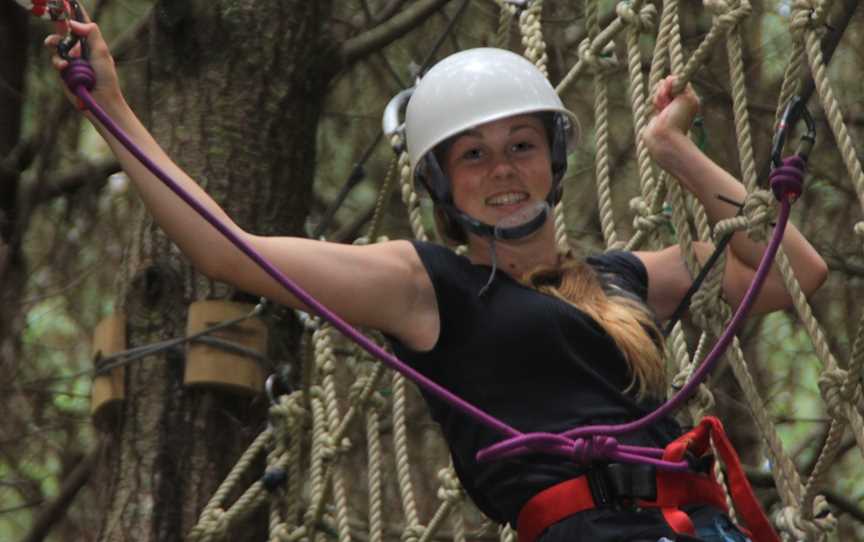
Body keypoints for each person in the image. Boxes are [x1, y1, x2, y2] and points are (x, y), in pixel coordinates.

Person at [47, 18, 827, 542]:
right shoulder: (428, 286)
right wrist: (112, 104)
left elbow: (798, 270)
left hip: (701, 527)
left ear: (553, 160)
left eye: (521, 145)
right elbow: (230, 253)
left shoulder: (624, 276)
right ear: (442, 184)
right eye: (474, 155)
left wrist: (673, 151)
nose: (503, 171)